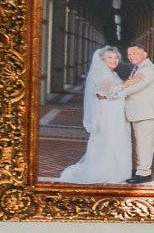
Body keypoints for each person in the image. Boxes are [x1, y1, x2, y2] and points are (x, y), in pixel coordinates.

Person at [57, 46, 133, 184]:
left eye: (116, 57)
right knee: (109, 139)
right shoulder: (104, 76)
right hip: (109, 113)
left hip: (115, 111)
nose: (114, 60)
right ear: (103, 60)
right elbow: (110, 93)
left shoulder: (112, 74)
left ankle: (118, 170)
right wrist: (129, 84)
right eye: (110, 57)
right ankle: (108, 171)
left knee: (116, 139)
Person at [116, 41, 154, 184]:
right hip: (140, 113)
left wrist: (115, 92)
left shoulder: (148, 69)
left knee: (144, 145)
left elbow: (135, 87)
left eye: (135, 53)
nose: (131, 56)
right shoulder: (139, 68)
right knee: (139, 144)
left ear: (145, 54)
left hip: (147, 114)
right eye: (129, 54)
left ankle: (144, 173)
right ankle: (139, 170)